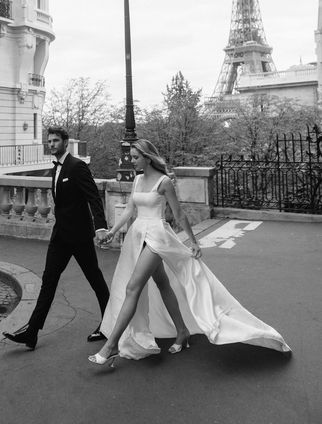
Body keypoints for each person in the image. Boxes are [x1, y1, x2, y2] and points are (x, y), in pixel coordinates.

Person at [89, 139, 291, 368]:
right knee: (163, 283)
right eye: (131, 157)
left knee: (132, 287)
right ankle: (182, 330)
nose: (131, 161)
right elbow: (129, 210)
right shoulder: (136, 180)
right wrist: (112, 232)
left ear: (147, 157)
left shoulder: (164, 181)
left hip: (156, 237)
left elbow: (179, 214)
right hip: (138, 236)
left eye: (135, 157)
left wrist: (193, 242)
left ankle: (111, 345)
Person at [4, 127, 110, 350]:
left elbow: (94, 198)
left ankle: (110, 324)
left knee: (95, 280)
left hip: (80, 236)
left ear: (65, 142)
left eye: (55, 141)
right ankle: (31, 333)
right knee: (48, 281)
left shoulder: (77, 166)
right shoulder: (56, 169)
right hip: (60, 236)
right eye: (49, 141)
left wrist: (100, 227)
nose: (51, 144)